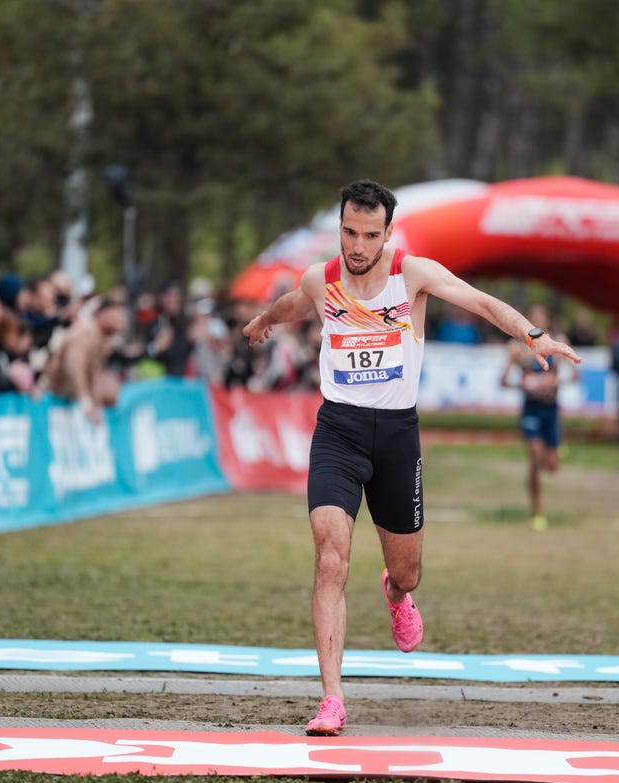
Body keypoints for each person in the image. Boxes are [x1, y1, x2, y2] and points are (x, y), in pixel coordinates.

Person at [243, 179, 580, 736]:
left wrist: (532, 334)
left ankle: (395, 593)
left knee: (408, 571)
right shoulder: (321, 278)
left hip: (397, 436)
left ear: (387, 233)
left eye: (368, 234)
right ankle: (331, 699)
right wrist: (263, 321)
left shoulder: (412, 274)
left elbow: (480, 301)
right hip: (338, 432)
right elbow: (294, 302)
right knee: (330, 559)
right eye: (349, 231)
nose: (356, 245)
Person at [501, 304, 573, 532]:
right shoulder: (517, 349)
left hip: (551, 409)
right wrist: (524, 385)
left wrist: (553, 383)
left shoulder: (557, 343)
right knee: (534, 457)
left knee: (551, 467)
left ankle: (551, 452)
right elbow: (503, 381)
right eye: (533, 320)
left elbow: (574, 376)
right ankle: (537, 511)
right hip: (531, 409)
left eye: (541, 320)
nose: (537, 325)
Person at [45, 295, 129, 424]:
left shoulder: (99, 337)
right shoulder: (84, 332)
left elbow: (93, 373)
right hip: (57, 400)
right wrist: (86, 402)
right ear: (102, 314)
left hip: (68, 402)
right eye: (117, 316)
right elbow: (73, 367)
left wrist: (95, 403)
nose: (121, 322)